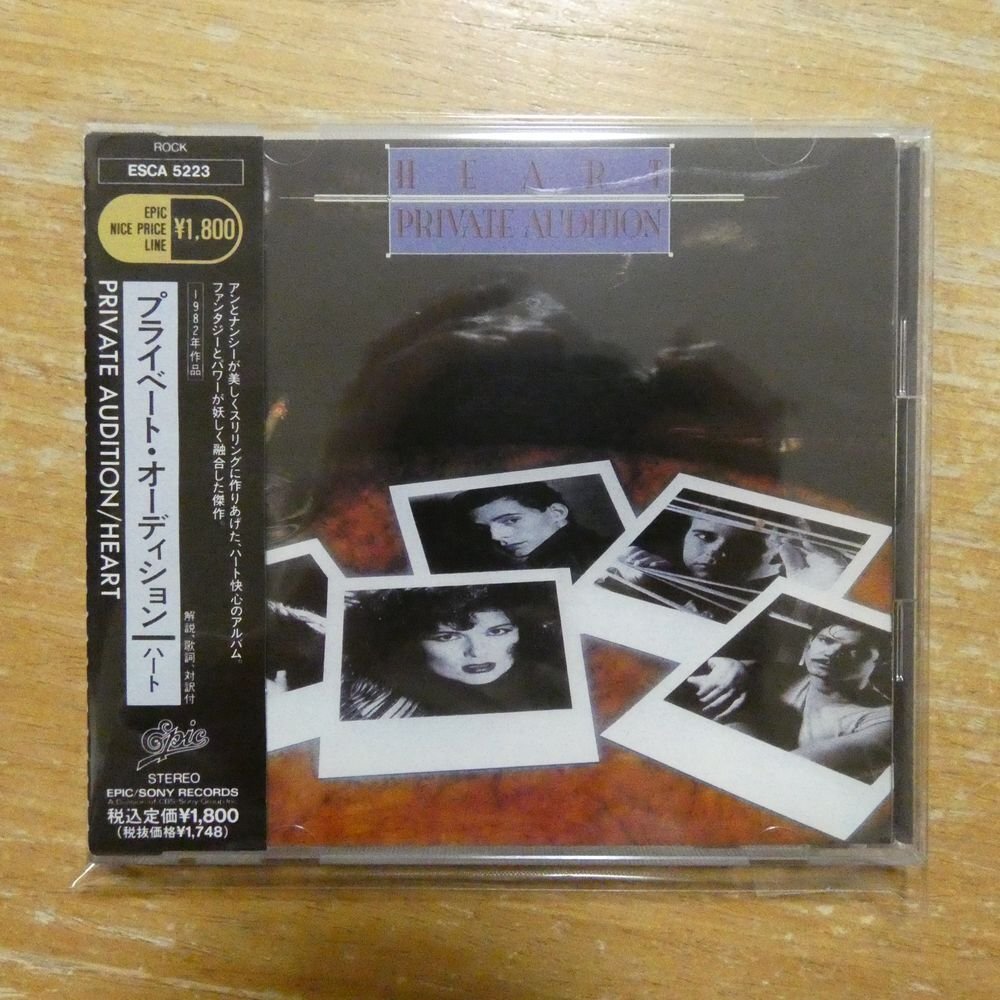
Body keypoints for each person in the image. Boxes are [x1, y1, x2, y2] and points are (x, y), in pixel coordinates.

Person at [678, 619, 891, 782]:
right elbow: (691, 676)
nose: (832, 653)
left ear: (880, 663)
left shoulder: (885, 720)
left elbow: (780, 774)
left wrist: (738, 722)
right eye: (826, 641)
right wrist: (728, 664)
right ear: (809, 643)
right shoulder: (782, 674)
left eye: (855, 649)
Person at [340, 584, 571, 719]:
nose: (477, 652)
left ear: (522, 632)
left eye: (497, 631)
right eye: (447, 637)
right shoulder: (369, 700)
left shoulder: (560, 682)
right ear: (412, 642)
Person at [610, 508, 848, 619]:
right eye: (705, 537)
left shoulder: (768, 598)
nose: (716, 551)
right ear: (685, 534)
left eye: (740, 544)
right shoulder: (648, 567)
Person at [449, 482, 613, 580]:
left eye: (511, 520)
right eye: (485, 528)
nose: (496, 536)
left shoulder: (605, 556)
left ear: (557, 513)